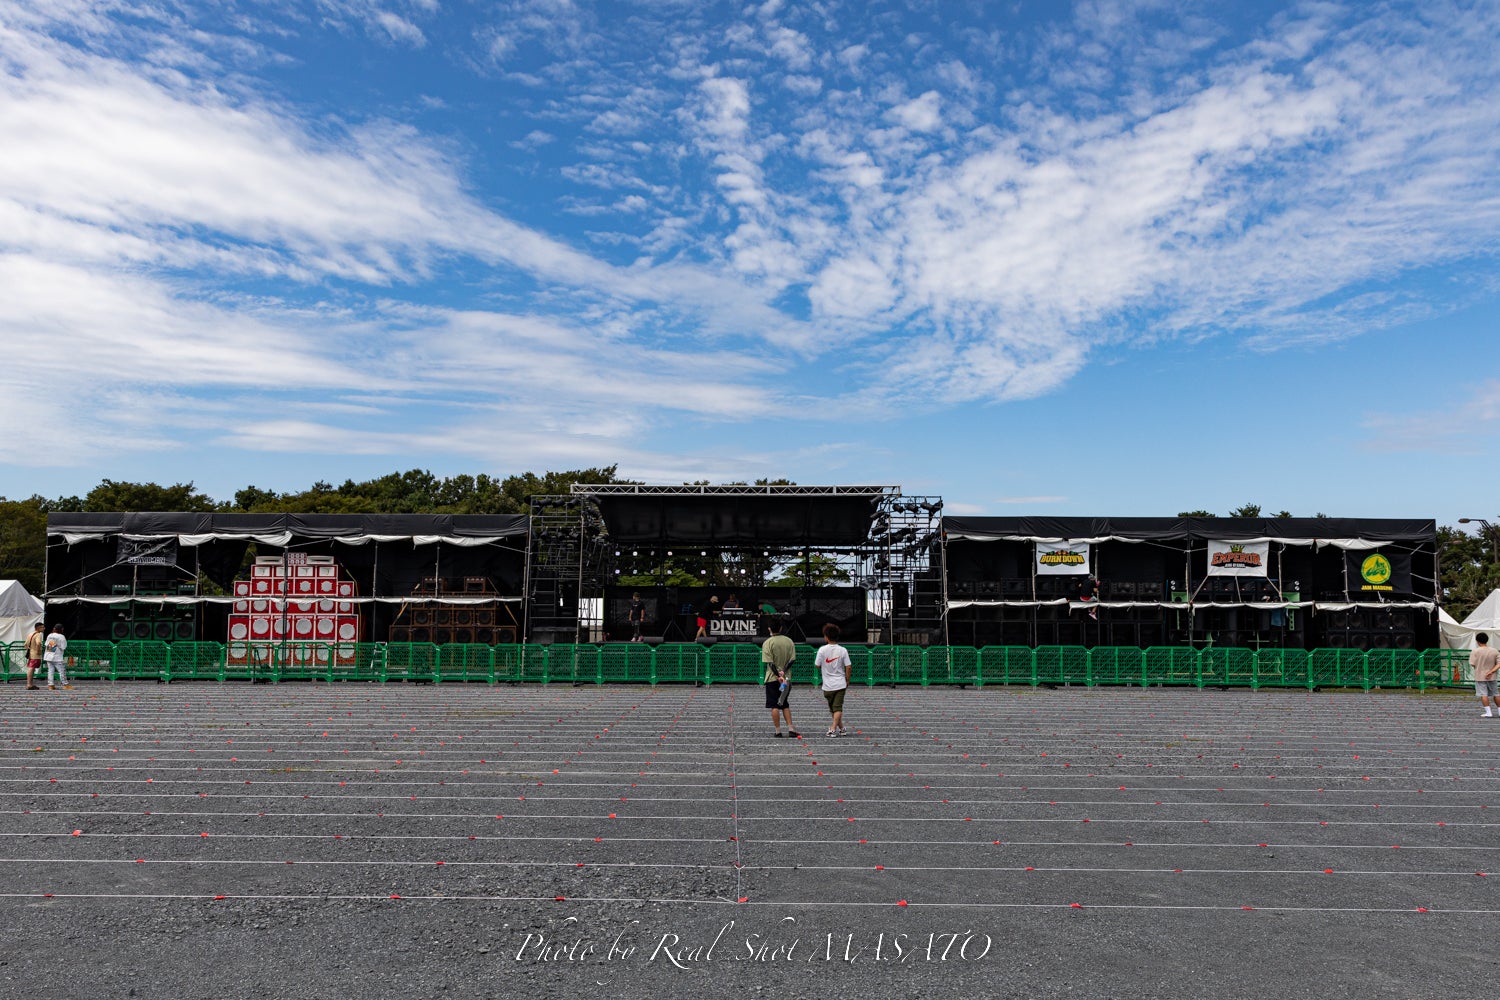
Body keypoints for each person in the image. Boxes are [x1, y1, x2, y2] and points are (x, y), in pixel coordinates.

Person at [761, 619, 799, 738]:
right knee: (784, 703)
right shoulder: (789, 641)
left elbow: (770, 663)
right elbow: (792, 660)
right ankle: (791, 728)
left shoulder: (768, 642)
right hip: (786, 678)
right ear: (781, 628)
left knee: (774, 705)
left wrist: (778, 675)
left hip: (772, 678)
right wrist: (783, 673)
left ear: (769, 629)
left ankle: (778, 731)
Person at [818, 622, 851, 737]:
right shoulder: (843, 650)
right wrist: (847, 680)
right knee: (835, 709)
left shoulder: (822, 650)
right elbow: (848, 666)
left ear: (826, 637)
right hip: (840, 683)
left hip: (827, 685)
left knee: (835, 708)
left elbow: (817, 665)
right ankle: (841, 728)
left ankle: (832, 729)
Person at [1471, 632, 1499, 717]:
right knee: (1496, 694)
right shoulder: (1494, 651)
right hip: (1492, 676)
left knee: (1483, 694)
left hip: (1480, 676)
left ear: (1477, 641)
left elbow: (1473, 664)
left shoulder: (1475, 651)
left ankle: (1488, 712)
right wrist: (1491, 671)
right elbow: (1498, 664)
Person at [43, 623, 71, 691]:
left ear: (54, 629)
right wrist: (58, 645)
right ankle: (65, 685)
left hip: (49, 655)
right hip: (57, 657)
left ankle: (51, 685)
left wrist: (54, 644)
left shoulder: (50, 635)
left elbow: (46, 644)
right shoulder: (61, 636)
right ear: (62, 629)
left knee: (50, 671)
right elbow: (63, 647)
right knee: (61, 671)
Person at [24, 622, 45, 690]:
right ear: (38, 628)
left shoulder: (30, 634)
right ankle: (29, 684)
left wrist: (31, 649)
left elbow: (25, 644)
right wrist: (38, 651)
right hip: (35, 655)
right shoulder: (38, 634)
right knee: (31, 668)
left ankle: (30, 684)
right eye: (42, 627)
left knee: (31, 668)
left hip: (31, 654)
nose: (44, 628)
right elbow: (38, 643)